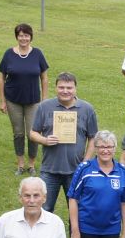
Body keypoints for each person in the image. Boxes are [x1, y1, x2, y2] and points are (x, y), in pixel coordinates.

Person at [30, 72, 98, 220]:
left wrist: (86, 162)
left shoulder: (87, 109)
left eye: (69, 87)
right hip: (50, 170)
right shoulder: (45, 107)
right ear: (56, 88)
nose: (65, 91)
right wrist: (44, 140)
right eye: (61, 87)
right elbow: (33, 132)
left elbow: (93, 138)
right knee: (44, 212)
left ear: (75, 89)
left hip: (76, 171)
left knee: (78, 213)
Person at [0, 23, 50, 176]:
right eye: (21, 35)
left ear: (30, 37)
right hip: (13, 100)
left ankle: (31, 164)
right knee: (18, 133)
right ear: (17, 37)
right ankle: (20, 164)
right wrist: (2, 101)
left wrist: (45, 100)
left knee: (33, 133)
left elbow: (44, 78)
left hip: (33, 101)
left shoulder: (38, 54)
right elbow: (1, 77)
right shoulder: (9, 54)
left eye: (26, 35)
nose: (23, 38)